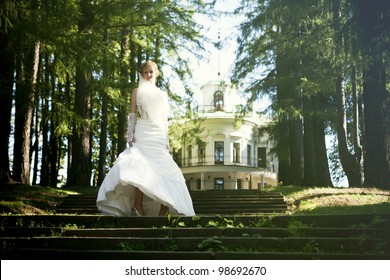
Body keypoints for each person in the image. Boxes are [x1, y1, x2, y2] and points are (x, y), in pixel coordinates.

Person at [96, 60, 195, 216]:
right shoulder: (136, 91)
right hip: (143, 133)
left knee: (165, 170)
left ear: (156, 73)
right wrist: (130, 135)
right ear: (142, 74)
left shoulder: (163, 95)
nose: (148, 75)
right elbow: (132, 114)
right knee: (138, 167)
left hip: (158, 135)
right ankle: (137, 206)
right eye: (145, 72)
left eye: (151, 72)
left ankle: (164, 207)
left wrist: (166, 141)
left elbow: (164, 119)